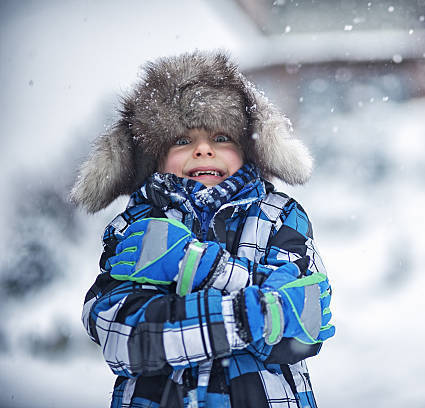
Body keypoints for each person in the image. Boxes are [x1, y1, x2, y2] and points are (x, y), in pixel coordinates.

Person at [71, 51, 335, 408]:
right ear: (155, 157)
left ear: (249, 150)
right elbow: (124, 339)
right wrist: (254, 315)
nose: (203, 150)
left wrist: (196, 267)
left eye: (222, 136)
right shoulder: (136, 227)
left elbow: (304, 323)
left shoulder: (280, 217)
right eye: (182, 140)